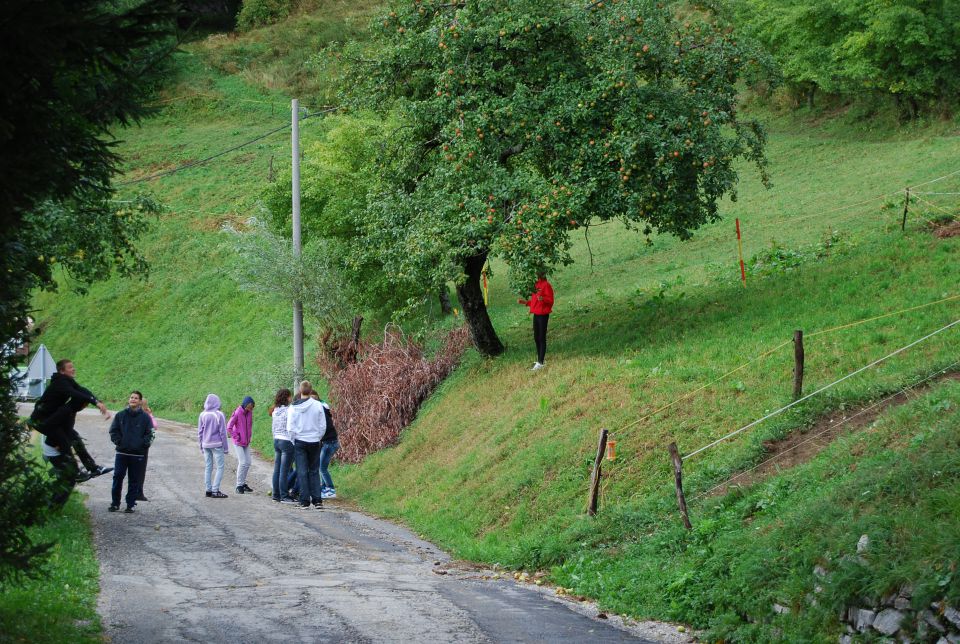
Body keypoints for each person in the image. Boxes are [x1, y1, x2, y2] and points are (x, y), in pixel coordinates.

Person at [29, 359, 113, 481]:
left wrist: (97, 401)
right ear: (62, 371)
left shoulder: (67, 382)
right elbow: (74, 393)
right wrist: (94, 402)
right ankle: (76, 473)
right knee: (64, 441)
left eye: (73, 367)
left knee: (74, 436)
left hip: (51, 420)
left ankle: (93, 468)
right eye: (70, 367)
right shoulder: (60, 383)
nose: (73, 369)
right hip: (42, 422)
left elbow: (82, 390)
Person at [108, 390, 154, 513]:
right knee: (117, 477)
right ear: (129, 400)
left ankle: (131, 504)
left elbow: (151, 434)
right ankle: (115, 503)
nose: (133, 399)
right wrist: (119, 442)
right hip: (122, 453)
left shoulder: (145, 418)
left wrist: (143, 445)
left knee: (134, 480)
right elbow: (113, 431)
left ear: (140, 401)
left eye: (136, 398)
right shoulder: (120, 415)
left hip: (137, 454)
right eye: (131, 397)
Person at [286, 380, 325, 510]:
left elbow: (290, 427)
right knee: (314, 470)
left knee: (302, 471)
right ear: (311, 390)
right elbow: (322, 425)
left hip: (300, 441)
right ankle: (317, 500)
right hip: (314, 440)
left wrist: (294, 440)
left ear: (300, 391)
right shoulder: (318, 405)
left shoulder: (293, 407)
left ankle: (304, 500)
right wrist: (318, 437)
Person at [517, 272, 554, 371]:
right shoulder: (536, 285)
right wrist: (525, 302)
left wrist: (543, 299)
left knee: (542, 337)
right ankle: (539, 360)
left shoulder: (546, 285)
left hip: (543, 315)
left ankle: (541, 362)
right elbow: (534, 302)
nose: (534, 275)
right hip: (536, 314)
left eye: (536, 273)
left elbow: (550, 301)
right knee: (536, 338)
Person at [198, 393, 229, 499]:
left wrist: (201, 446)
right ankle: (215, 490)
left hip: (206, 444)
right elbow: (223, 432)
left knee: (208, 467)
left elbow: (200, 432)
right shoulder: (219, 414)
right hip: (217, 445)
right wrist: (226, 447)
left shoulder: (202, 415)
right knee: (220, 467)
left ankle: (208, 490)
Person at [269, 388, 297, 504]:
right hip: (286, 441)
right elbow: (291, 427)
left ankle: (276, 494)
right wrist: (293, 440)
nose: (291, 398)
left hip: (277, 440)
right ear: (287, 398)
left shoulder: (275, 410)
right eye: (290, 396)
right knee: (284, 470)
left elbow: (273, 427)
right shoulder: (290, 410)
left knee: (277, 469)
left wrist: (275, 437)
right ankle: (284, 495)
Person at [227, 396, 255, 495]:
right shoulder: (238, 412)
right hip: (238, 442)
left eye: (252, 407)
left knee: (248, 462)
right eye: (249, 406)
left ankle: (243, 483)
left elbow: (250, 425)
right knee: (242, 462)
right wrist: (236, 436)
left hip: (246, 442)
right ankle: (238, 485)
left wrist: (249, 436)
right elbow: (229, 427)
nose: (250, 409)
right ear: (245, 404)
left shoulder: (250, 413)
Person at [136, 397, 158, 502]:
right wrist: (151, 415)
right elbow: (155, 426)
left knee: (133, 470)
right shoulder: (146, 416)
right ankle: (138, 492)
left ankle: (135, 491)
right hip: (142, 446)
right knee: (140, 470)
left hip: (132, 446)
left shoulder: (131, 413)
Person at [318, 400, 339, 500]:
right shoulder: (325, 411)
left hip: (329, 443)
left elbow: (323, 429)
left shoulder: (321, 414)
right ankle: (325, 488)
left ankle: (330, 489)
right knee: (322, 467)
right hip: (331, 442)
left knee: (322, 468)